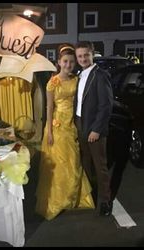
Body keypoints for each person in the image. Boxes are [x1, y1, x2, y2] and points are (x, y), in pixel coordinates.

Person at [35, 43, 95, 221]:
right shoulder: (52, 82)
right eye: (65, 61)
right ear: (59, 62)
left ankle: (73, 197)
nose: (69, 65)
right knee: (59, 163)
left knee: (73, 161)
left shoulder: (77, 80)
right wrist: (50, 132)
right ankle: (58, 200)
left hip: (73, 125)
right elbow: (49, 108)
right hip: (57, 126)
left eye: (71, 62)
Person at [74, 41, 114, 216]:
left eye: (86, 55)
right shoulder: (80, 74)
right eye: (80, 56)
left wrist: (96, 129)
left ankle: (105, 201)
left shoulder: (100, 75)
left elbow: (106, 105)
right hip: (80, 124)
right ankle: (90, 195)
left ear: (92, 54)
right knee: (86, 163)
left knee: (100, 166)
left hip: (94, 127)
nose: (83, 58)